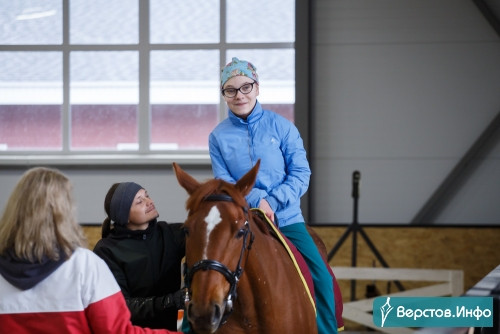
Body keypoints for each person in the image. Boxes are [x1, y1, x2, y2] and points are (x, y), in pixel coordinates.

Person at [208, 57, 340, 334]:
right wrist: (257, 202)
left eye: (245, 87)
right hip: (244, 218)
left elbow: (301, 173)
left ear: (257, 88)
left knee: (323, 279)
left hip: (287, 218)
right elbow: (225, 182)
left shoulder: (282, 127)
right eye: (230, 90)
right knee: (204, 266)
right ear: (223, 94)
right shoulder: (217, 136)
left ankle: (327, 330)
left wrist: (274, 201)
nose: (239, 95)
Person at [0, 167, 181, 334]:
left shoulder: (169, 233)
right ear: (63, 212)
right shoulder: (85, 264)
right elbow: (116, 330)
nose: (149, 202)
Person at [93, 182, 186, 331]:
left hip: (173, 329)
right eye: (139, 201)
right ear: (124, 215)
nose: (149, 202)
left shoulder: (170, 233)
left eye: (147, 196)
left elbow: (207, 232)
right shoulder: (106, 251)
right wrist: (169, 301)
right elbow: (122, 305)